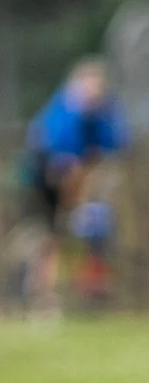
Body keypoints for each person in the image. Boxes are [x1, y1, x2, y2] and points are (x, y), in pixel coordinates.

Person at [25, 56, 129, 306]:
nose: (95, 90)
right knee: (51, 236)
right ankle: (43, 293)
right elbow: (51, 144)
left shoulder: (103, 112)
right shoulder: (63, 109)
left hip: (87, 185)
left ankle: (93, 289)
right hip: (52, 184)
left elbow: (116, 142)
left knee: (96, 232)